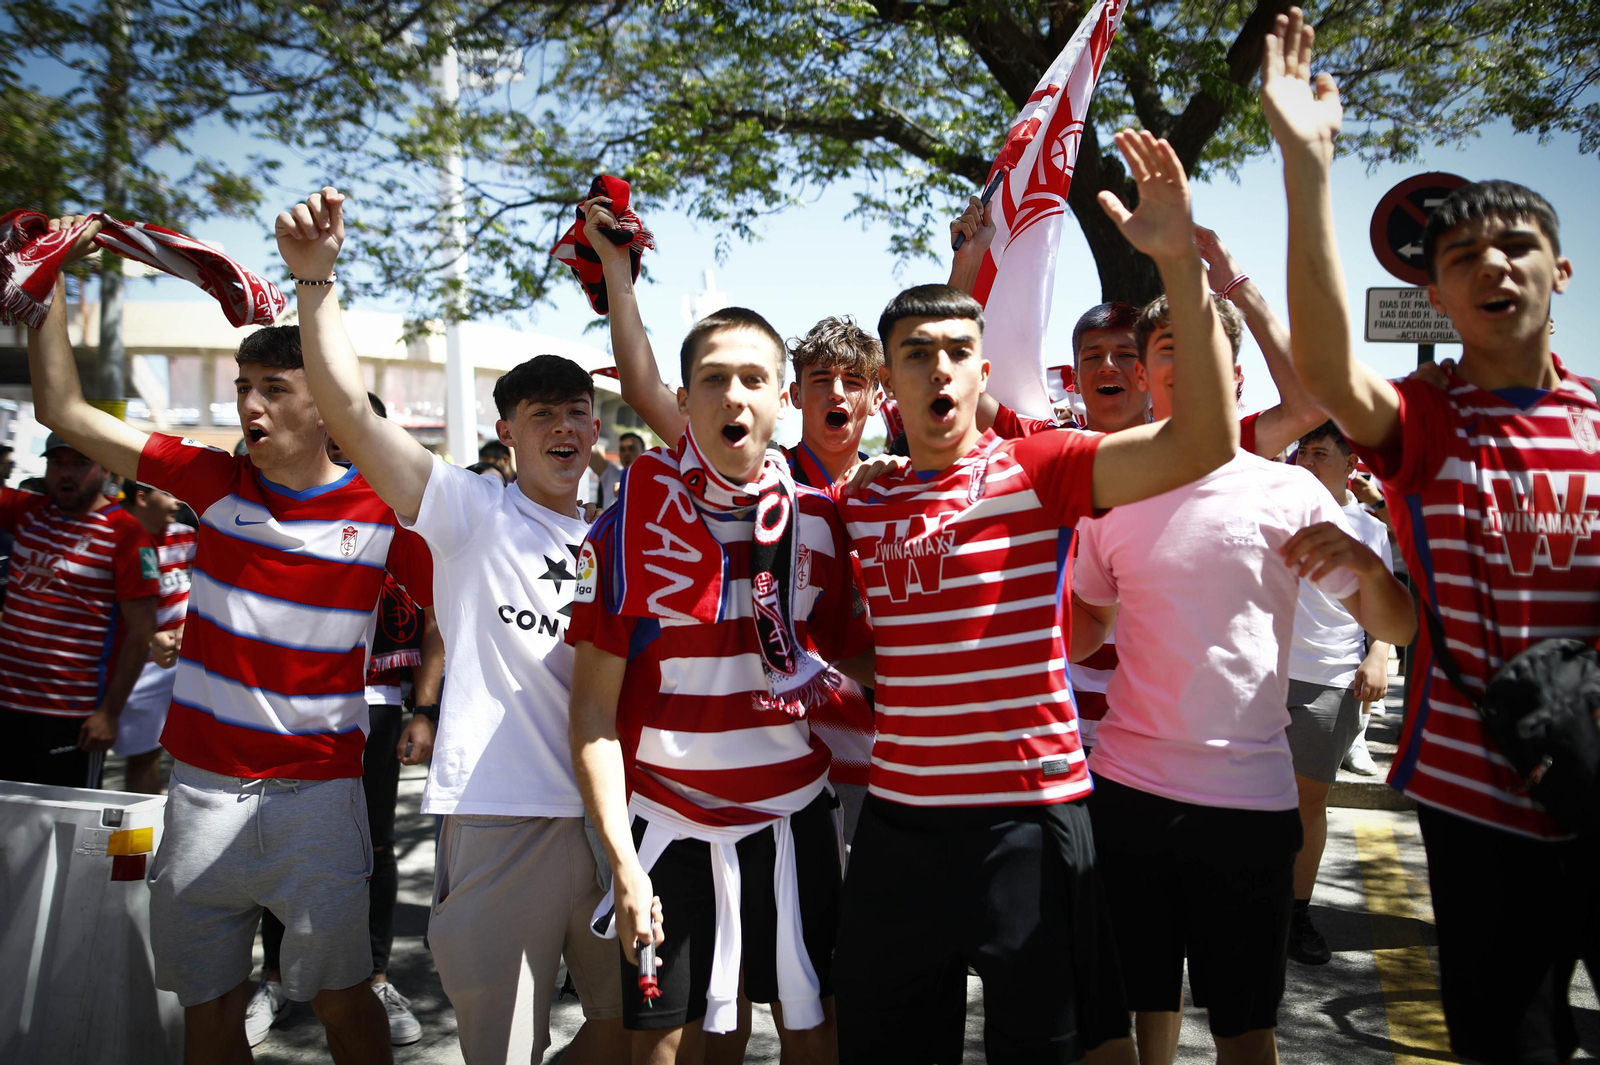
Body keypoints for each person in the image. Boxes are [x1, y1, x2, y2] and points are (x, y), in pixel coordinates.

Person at [830, 129, 1243, 1064]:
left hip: (1031, 817)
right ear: (887, 384)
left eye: (957, 353)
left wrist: (1175, 264)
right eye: (915, 356)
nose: (939, 368)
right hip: (898, 824)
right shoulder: (861, 498)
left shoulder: (1040, 467)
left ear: (984, 372)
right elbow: (850, 640)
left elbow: (1202, 441)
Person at [1264, 10, 1600, 1063]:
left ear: (1560, 270)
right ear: (1434, 290)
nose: (1493, 267)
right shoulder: (1423, 421)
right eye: (1463, 256)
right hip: (1474, 806)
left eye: (1516, 247)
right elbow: (1322, 361)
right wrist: (1306, 167)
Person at [25, 216, 429, 1065]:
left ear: (328, 399)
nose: (249, 404)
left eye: (276, 387)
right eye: (245, 385)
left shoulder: (388, 512)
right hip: (199, 797)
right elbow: (61, 409)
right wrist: (43, 282)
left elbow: (467, 618)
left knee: (344, 1007)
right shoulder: (209, 479)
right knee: (207, 1014)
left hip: (318, 802)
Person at [277, 187, 627, 1064]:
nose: (561, 424)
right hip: (499, 817)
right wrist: (315, 283)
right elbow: (352, 417)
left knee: (635, 1032)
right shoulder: (469, 510)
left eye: (574, 409)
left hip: (612, 818)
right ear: (506, 432)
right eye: (538, 412)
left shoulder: (623, 530)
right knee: (500, 1047)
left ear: (595, 427)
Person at [1069, 286, 1416, 1064]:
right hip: (1128, 793)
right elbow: (1088, 620)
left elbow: (1396, 623)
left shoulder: (1289, 491)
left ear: (1235, 380)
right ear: (1151, 375)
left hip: (1251, 806)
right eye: (1167, 350)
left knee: (1247, 1032)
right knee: (1132, 1013)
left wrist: (1368, 566)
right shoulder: (1109, 485)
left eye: (1204, 350)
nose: (1183, 365)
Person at [568, 304, 875, 1064]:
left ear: (781, 398)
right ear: (685, 397)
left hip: (795, 824)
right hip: (667, 830)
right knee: (671, 1047)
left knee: (813, 1029)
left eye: (753, 378)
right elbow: (592, 716)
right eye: (713, 379)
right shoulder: (624, 526)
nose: (734, 396)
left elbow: (864, 662)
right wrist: (623, 862)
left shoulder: (822, 524)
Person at [587, 199, 882, 849]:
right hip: (707, 798)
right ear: (795, 395)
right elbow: (645, 385)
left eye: (855, 381)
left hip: (864, 770)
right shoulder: (728, 463)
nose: (838, 394)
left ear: (877, 396)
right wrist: (617, 273)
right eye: (821, 379)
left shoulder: (880, 491)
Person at [247, 391, 444, 1049]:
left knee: (375, 846)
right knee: (278, 841)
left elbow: (439, 618)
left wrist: (424, 706)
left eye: (354, 429)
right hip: (291, 712)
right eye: (330, 428)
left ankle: (378, 975)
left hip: (381, 709)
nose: (340, 442)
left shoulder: (405, 513)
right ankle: (275, 975)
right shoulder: (276, 504)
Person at [1281, 421, 1395, 965]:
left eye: (1320, 453)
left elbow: (1382, 606)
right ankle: (1246, 907)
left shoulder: (1367, 528)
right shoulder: (1275, 506)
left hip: (1328, 682)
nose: (1306, 460)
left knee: (1309, 804)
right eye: (1303, 450)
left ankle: (1295, 915)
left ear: (1352, 464)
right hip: (1259, 677)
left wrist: (1378, 654)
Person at [0, 435, 159, 788]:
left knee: (64, 828)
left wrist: (110, 713)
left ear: (104, 468)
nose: (65, 473)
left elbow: (141, 633)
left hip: (73, 714)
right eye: (57, 463)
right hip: (8, 705)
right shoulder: (29, 511)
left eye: (79, 463)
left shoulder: (128, 536)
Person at [112, 479, 195, 795]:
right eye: (169, 493)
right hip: (141, 667)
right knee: (143, 756)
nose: (178, 502)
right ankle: (140, 837)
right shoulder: (114, 538)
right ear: (142, 498)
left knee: (187, 755)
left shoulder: (188, 537)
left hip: (186, 663)